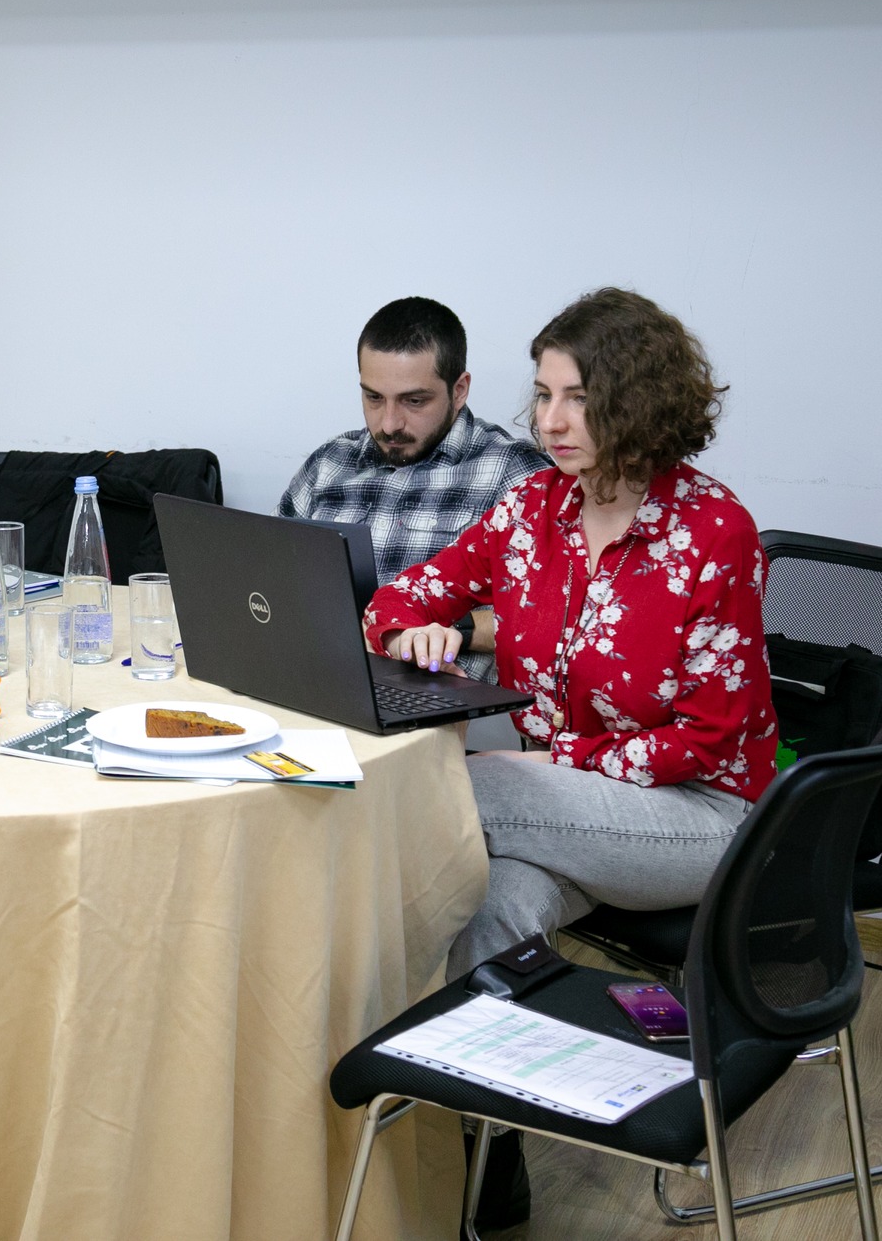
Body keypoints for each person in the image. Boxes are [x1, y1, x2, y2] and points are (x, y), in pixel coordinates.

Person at [361, 287, 777, 1227]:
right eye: (543, 394)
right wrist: (416, 633)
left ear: (638, 401)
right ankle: (487, 1159)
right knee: (484, 913)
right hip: (567, 813)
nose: (549, 420)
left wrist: (566, 761)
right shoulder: (531, 509)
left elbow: (707, 738)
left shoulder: (713, 532)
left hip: (702, 819)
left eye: (578, 398)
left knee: (459, 786)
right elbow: (396, 599)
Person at [280, 296, 547, 673]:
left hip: (435, 692)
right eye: (374, 397)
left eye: (414, 401)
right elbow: (268, 577)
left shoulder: (516, 476)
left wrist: (447, 630)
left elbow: (554, 618)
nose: (389, 423)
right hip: (315, 675)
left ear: (459, 390)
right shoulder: (329, 464)